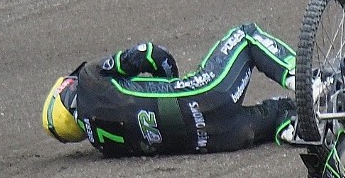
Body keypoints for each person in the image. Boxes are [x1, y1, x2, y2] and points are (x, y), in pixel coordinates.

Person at [42, 22, 297, 157]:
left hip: (220, 138)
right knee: (245, 36)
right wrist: (169, 81)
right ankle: (307, 79)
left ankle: (294, 126)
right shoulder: (89, 79)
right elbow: (152, 55)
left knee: (279, 111)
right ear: (64, 88)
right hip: (204, 94)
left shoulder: (104, 148)